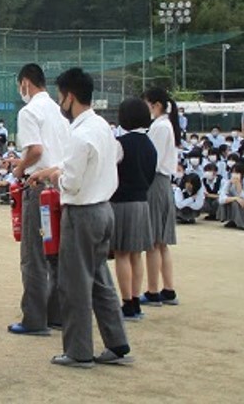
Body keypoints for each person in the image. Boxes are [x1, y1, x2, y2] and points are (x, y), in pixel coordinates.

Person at [31, 67, 132, 368]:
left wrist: (55, 177)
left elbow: (71, 182)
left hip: (82, 213)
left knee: (74, 283)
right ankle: (117, 343)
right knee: (100, 279)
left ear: (69, 97)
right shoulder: (101, 126)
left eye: (61, 97)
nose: (61, 103)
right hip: (104, 210)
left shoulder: (79, 133)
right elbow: (112, 157)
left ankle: (78, 351)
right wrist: (55, 171)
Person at [8, 63, 70, 336]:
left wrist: (20, 169)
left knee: (33, 255)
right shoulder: (58, 111)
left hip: (38, 186)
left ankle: (34, 318)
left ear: (26, 83)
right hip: (59, 185)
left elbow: (35, 150)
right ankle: (55, 313)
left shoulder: (29, 110)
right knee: (54, 252)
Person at [109, 98, 156, 322]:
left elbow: (111, 172)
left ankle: (126, 302)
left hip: (122, 203)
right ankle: (135, 301)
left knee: (121, 254)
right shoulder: (149, 144)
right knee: (137, 254)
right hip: (142, 202)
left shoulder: (121, 143)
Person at [141, 87, 180, 307]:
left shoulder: (159, 127)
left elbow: (151, 160)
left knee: (154, 242)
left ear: (155, 105)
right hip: (163, 183)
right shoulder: (165, 125)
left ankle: (154, 291)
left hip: (156, 182)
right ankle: (168, 289)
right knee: (161, 243)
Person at [218, 163, 244, 230]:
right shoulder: (228, 182)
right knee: (231, 202)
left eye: (237, 172)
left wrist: (238, 186)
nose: (234, 175)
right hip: (236, 202)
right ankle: (232, 220)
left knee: (235, 203)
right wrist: (235, 198)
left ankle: (241, 223)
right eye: (233, 172)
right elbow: (221, 199)